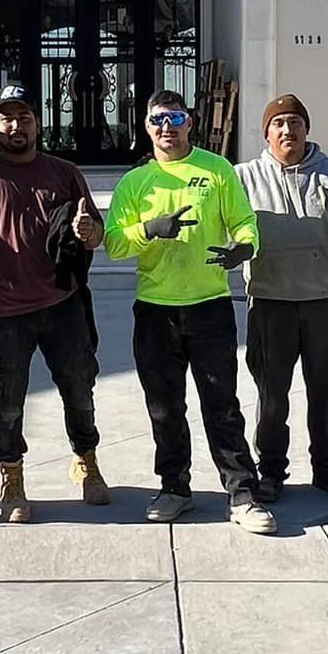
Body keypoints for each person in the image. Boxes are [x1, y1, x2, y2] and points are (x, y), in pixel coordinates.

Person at [105, 90, 274, 534]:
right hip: (156, 312)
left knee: (222, 405)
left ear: (190, 122)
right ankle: (174, 488)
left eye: (175, 118)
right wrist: (149, 229)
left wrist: (244, 247)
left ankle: (242, 493)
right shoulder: (135, 183)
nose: (167, 127)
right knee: (165, 408)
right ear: (146, 126)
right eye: (158, 119)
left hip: (209, 308)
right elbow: (114, 243)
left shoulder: (216, 170)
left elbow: (244, 222)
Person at [0, 83, 108, 523]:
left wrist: (85, 231)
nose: (15, 125)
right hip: (4, 311)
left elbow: (95, 231)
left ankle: (87, 462)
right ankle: (12, 476)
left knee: (79, 390)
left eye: (23, 117)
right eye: (6, 118)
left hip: (63, 303)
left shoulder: (64, 172)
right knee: (9, 400)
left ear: (37, 122)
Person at [237, 94, 328, 503]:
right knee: (271, 397)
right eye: (279, 123)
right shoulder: (243, 177)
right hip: (270, 301)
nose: (288, 130)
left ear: (306, 129)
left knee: (325, 392)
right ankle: (270, 472)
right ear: (266, 132)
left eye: (295, 122)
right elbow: (227, 226)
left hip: (326, 300)